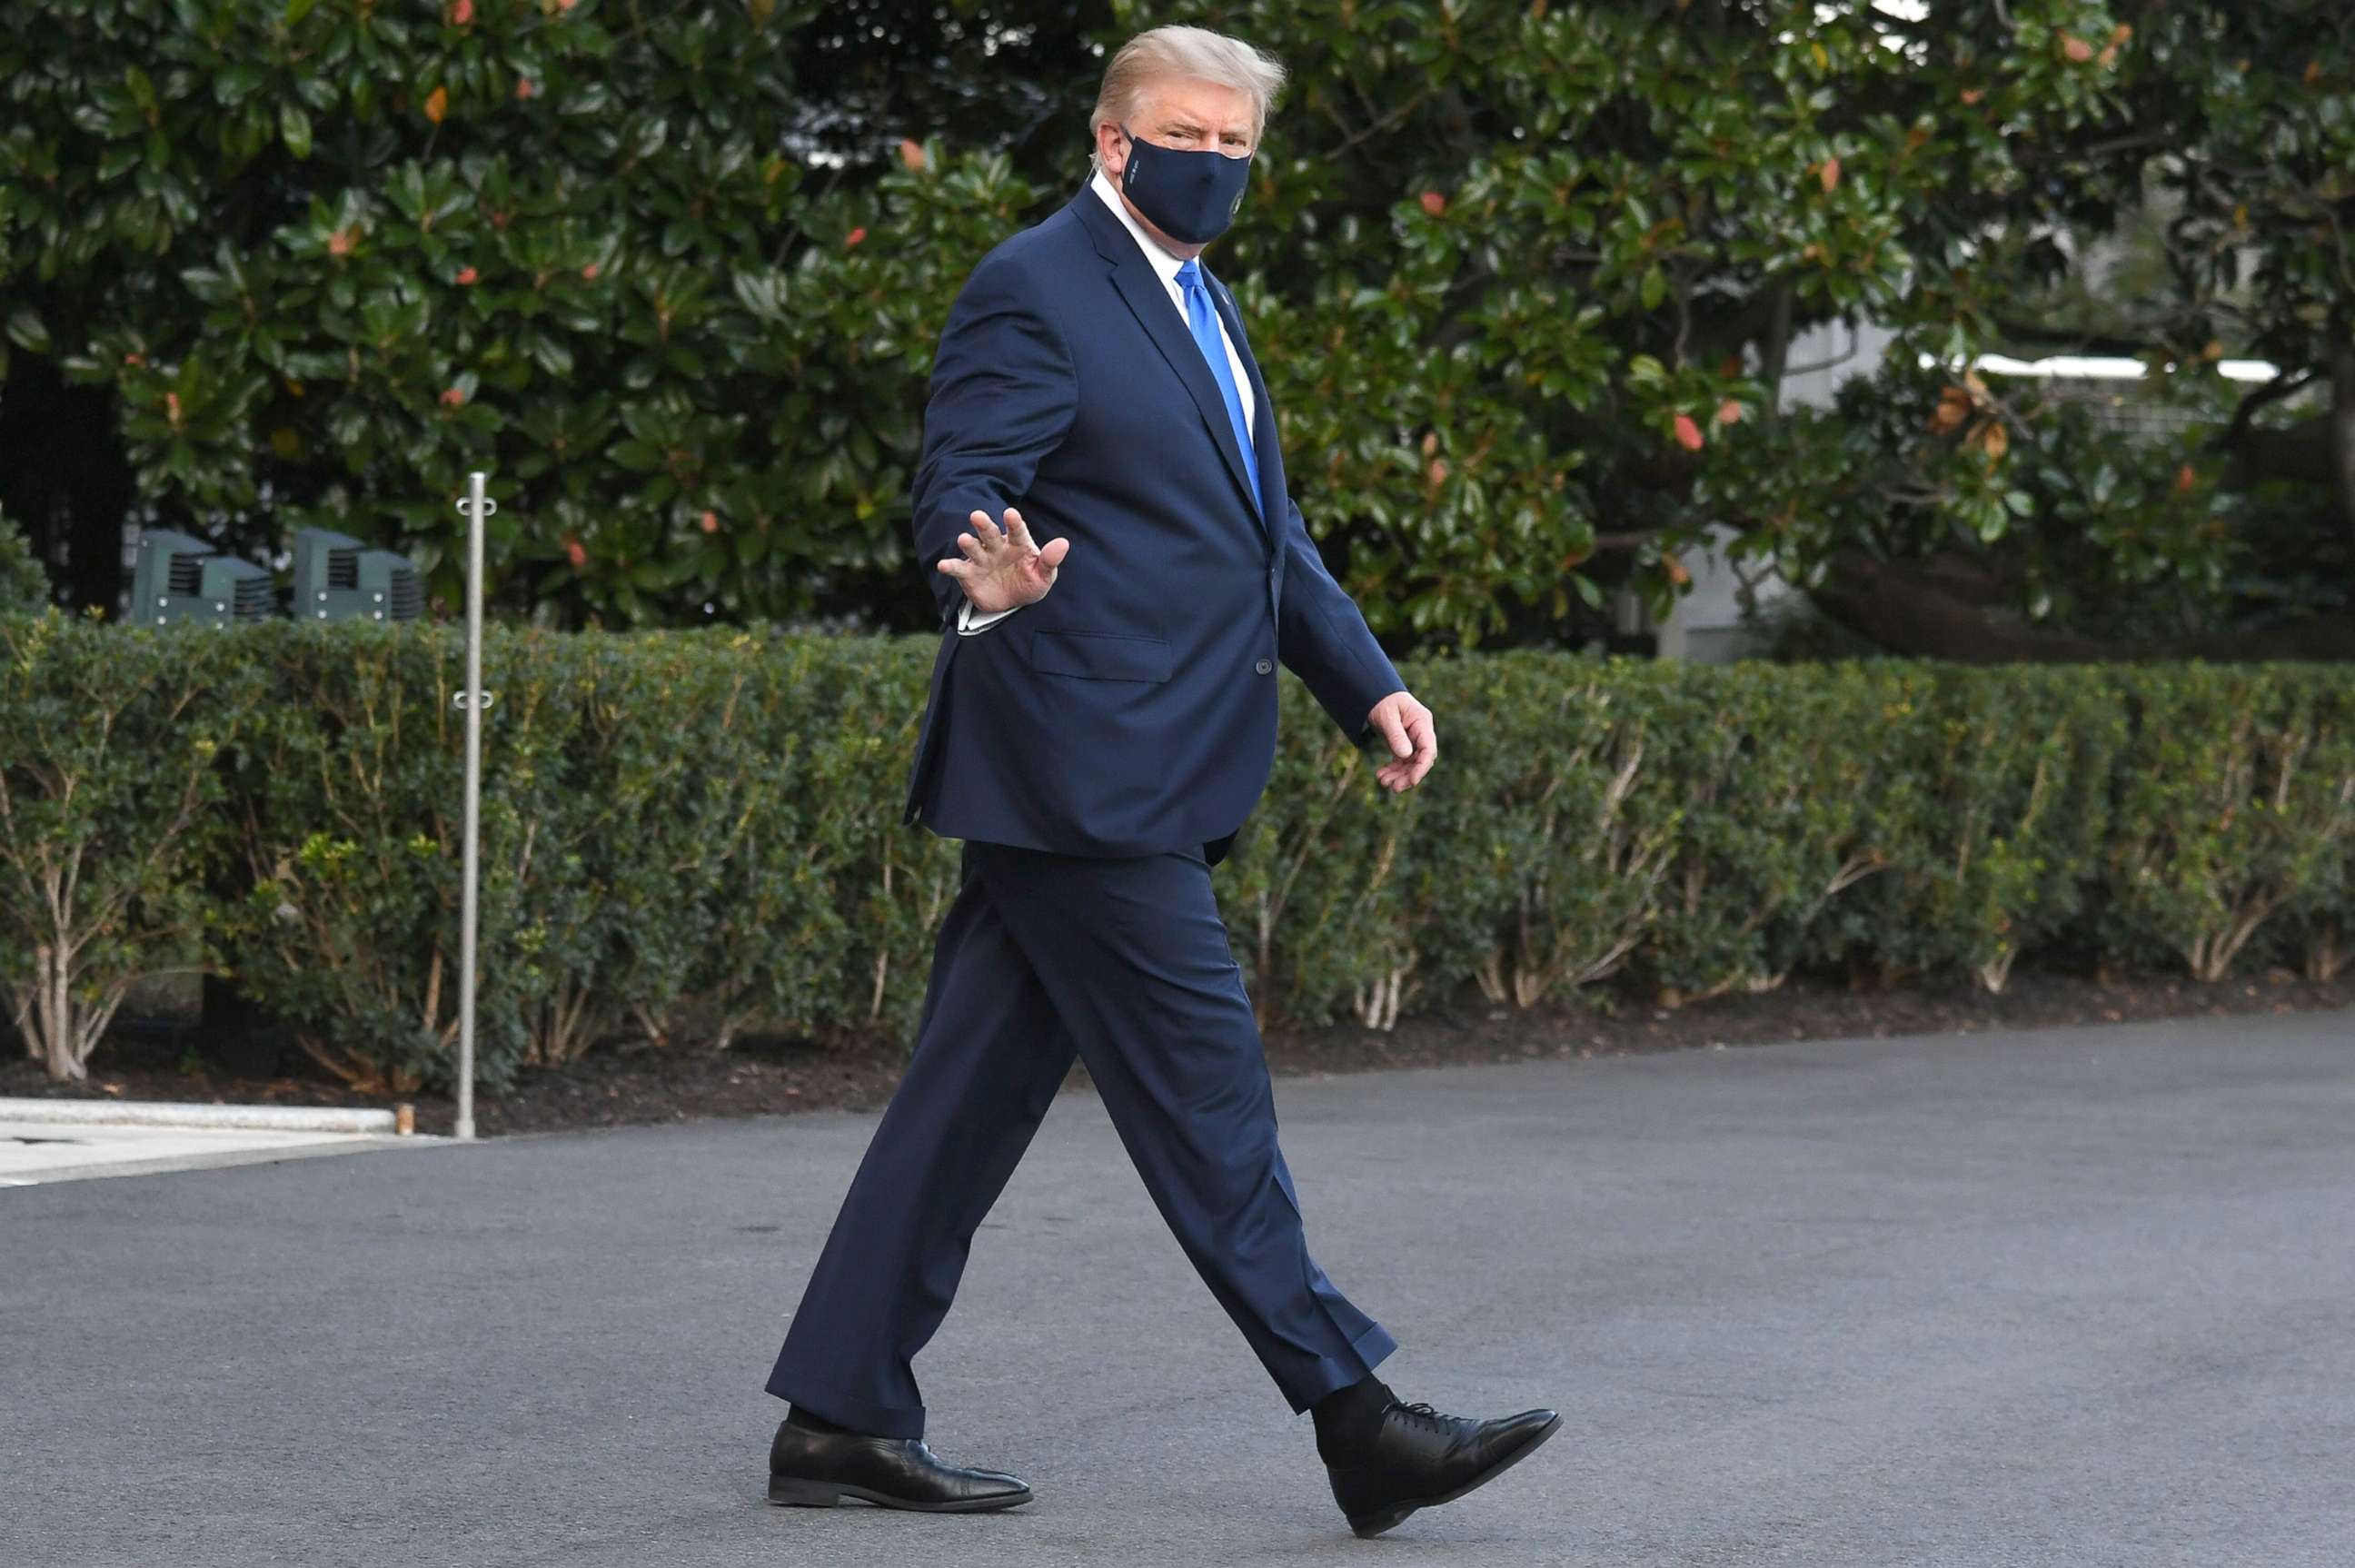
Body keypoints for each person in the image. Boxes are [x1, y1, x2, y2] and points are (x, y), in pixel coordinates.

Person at [760, 23, 1558, 1539]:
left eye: (1241, 146)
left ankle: (839, 1412)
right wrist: (985, 574)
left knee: (962, 1109)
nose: (1217, 163)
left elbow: (1268, 539)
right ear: (1113, 140)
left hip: (1131, 771)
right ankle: (1358, 1419)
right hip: (1082, 772)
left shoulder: (1201, 299)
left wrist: (1368, 680)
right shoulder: (1035, 285)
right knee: (1211, 1103)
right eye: (1190, 135)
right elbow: (960, 483)